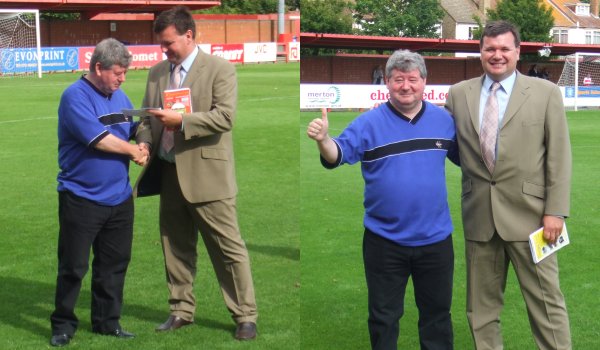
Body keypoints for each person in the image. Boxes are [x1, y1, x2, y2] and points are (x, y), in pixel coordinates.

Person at [307, 50, 458, 350]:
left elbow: (474, 161)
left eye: (412, 79)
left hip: (436, 240)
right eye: (398, 79)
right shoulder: (368, 123)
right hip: (384, 241)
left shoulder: (445, 121)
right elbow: (337, 155)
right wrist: (324, 140)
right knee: (384, 318)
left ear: (424, 82)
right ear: (386, 82)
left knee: (437, 317)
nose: (406, 86)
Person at [445, 20, 572, 350]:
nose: (497, 55)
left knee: (547, 306)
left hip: (534, 219)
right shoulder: (459, 95)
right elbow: (454, 149)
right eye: (490, 48)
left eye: (504, 49)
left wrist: (555, 211)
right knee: (481, 311)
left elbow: (559, 155)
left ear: (517, 52)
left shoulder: (545, 93)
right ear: (480, 51)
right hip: (480, 218)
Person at [133, 6, 258, 340]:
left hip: (208, 176)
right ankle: (180, 311)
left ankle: (245, 316)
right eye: (161, 44)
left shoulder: (220, 69)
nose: (165, 50)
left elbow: (225, 118)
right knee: (174, 247)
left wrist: (183, 121)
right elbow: (146, 118)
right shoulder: (158, 72)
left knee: (228, 249)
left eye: (169, 43)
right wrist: (144, 142)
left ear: (189, 35)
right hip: (169, 173)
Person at [50, 38, 148, 347]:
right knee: (73, 267)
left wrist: (142, 140)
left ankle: (108, 322)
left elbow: (135, 126)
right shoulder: (75, 96)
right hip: (81, 198)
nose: (122, 79)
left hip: (119, 199)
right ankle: (63, 325)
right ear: (97, 68)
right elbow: (99, 139)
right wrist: (133, 150)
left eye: (125, 73)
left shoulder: (119, 96)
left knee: (114, 265)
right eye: (117, 73)